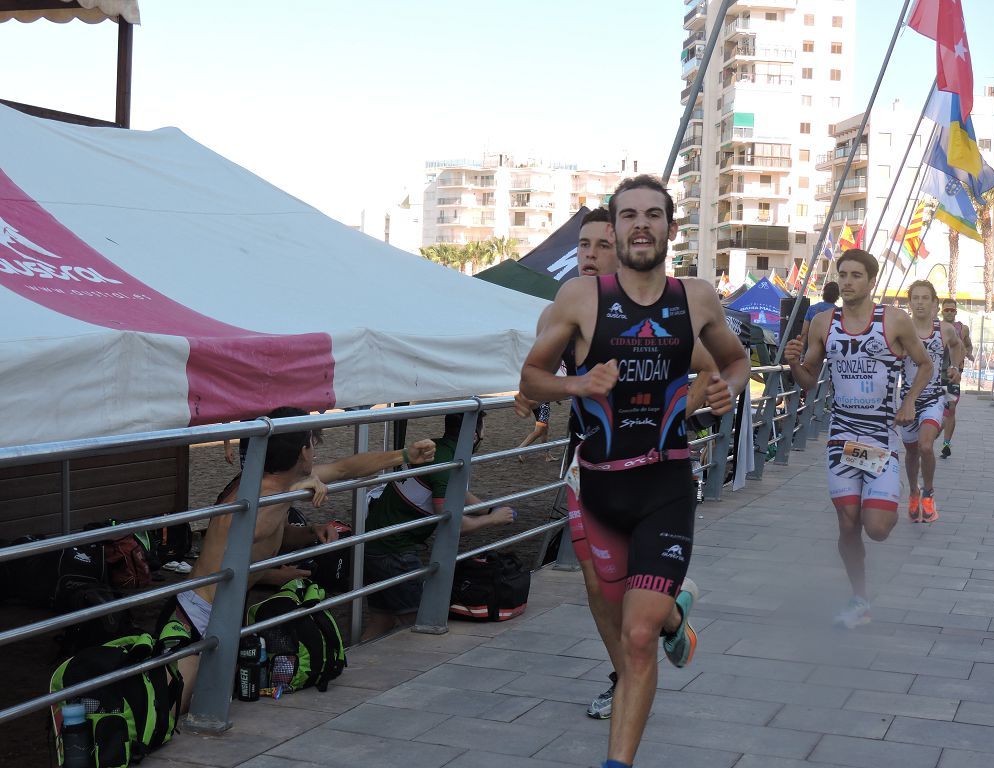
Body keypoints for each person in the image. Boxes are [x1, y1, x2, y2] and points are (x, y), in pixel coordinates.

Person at [520, 175, 749, 768]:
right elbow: (530, 380)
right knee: (619, 613)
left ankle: (616, 762)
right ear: (615, 228)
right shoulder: (578, 299)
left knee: (638, 637)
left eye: (653, 215)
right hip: (598, 487)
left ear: (670, 228)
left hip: (665, 485)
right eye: (629, 216)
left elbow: (734, 361)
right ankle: (676, 612)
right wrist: (577, 383)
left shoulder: (695, 298)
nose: (640, 224)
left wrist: (724, 391)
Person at [159, 406, 437, 712]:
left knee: (203, 702)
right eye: (312, 444)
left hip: (225, 612)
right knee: (171, 708)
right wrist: (292, 493)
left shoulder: (278, 483)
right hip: (196, 614)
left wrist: (405, 456)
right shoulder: (255, 492)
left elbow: (346, 468)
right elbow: (251, 532)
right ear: (302, 451)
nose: (315, 452)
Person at [784, 249, 933, 629]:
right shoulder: (823, 322)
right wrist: (792, 362)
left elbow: (926, 364)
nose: (847, 282)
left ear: (871, 282)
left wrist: (910, 400)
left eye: (855, 276)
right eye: (843, 274)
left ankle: (889, 494)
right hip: (841, 439)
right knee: (847, 525)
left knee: (877, 529)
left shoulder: (893, 321)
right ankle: (859, 599)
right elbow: (809, 380)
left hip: (880, 439)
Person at [361, 411, 516, 641]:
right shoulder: (448, 464)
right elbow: (452, 523)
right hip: (395, 551)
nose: (485, 433)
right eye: (483, 428)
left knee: (381, 620)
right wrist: (492, 519)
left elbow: (456, 491)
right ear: (474, 435)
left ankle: (356, 665)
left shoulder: (437, 449)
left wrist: (488, 508)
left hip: (375, 542)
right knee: (419, 622)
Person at [900, 282, 963, 523]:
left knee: (926, 446)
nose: (919, 302)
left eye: (925, 298)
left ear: (934, 303)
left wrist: (955, 367)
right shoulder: (900, 331)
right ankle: (913, 492)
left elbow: (957, 345)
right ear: (909, 303)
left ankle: (928, 492)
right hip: (908, 400)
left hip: (933, 399)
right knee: (911, 452)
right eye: (915, 298)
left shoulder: (945, 330)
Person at [939, 297, 974, 458]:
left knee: (951, 408)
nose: (949, 312)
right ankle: (930, 433)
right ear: (942, 311)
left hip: (952, 375)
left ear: (956, 311)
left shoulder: (962, 328)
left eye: (952, 310)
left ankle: (946, 444)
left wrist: (968, 353)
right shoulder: (935, 327)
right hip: (935, 373)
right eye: (946, 309)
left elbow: (968, 344)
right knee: (940, 410)